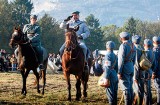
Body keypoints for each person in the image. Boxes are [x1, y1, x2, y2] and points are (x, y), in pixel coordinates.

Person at [118, 32, 136, 105]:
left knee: (126, 89)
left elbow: (121, 60)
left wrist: (119, 72)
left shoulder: (123, 46)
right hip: (131, 66)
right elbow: (135, 59)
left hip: (125, 67)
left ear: (121, 38)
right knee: (130, 88)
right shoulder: (133, 45)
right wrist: (131, 66)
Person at [103, 41, 118, 105]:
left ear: (107, 47)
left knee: (110, 94)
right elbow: (117, 67)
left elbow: (107, 67)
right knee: (114, 94)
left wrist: (106, 78)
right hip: (114, 74)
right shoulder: (114, 55)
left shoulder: (107, 55)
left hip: (109, 76)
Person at [132, 35, 144, 105]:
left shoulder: (135, 49)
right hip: (141, 72)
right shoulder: (141, 48)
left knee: (137, 91)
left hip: (137, 73)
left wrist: (135, 77)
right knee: (140, 90)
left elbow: (136, 64)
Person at [152, 36, 160, 105]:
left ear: (153, 42)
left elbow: (155, 63)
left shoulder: (155, 51)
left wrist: (153, 73)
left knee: (158, 87)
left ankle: (158, 102)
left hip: (157, 72)